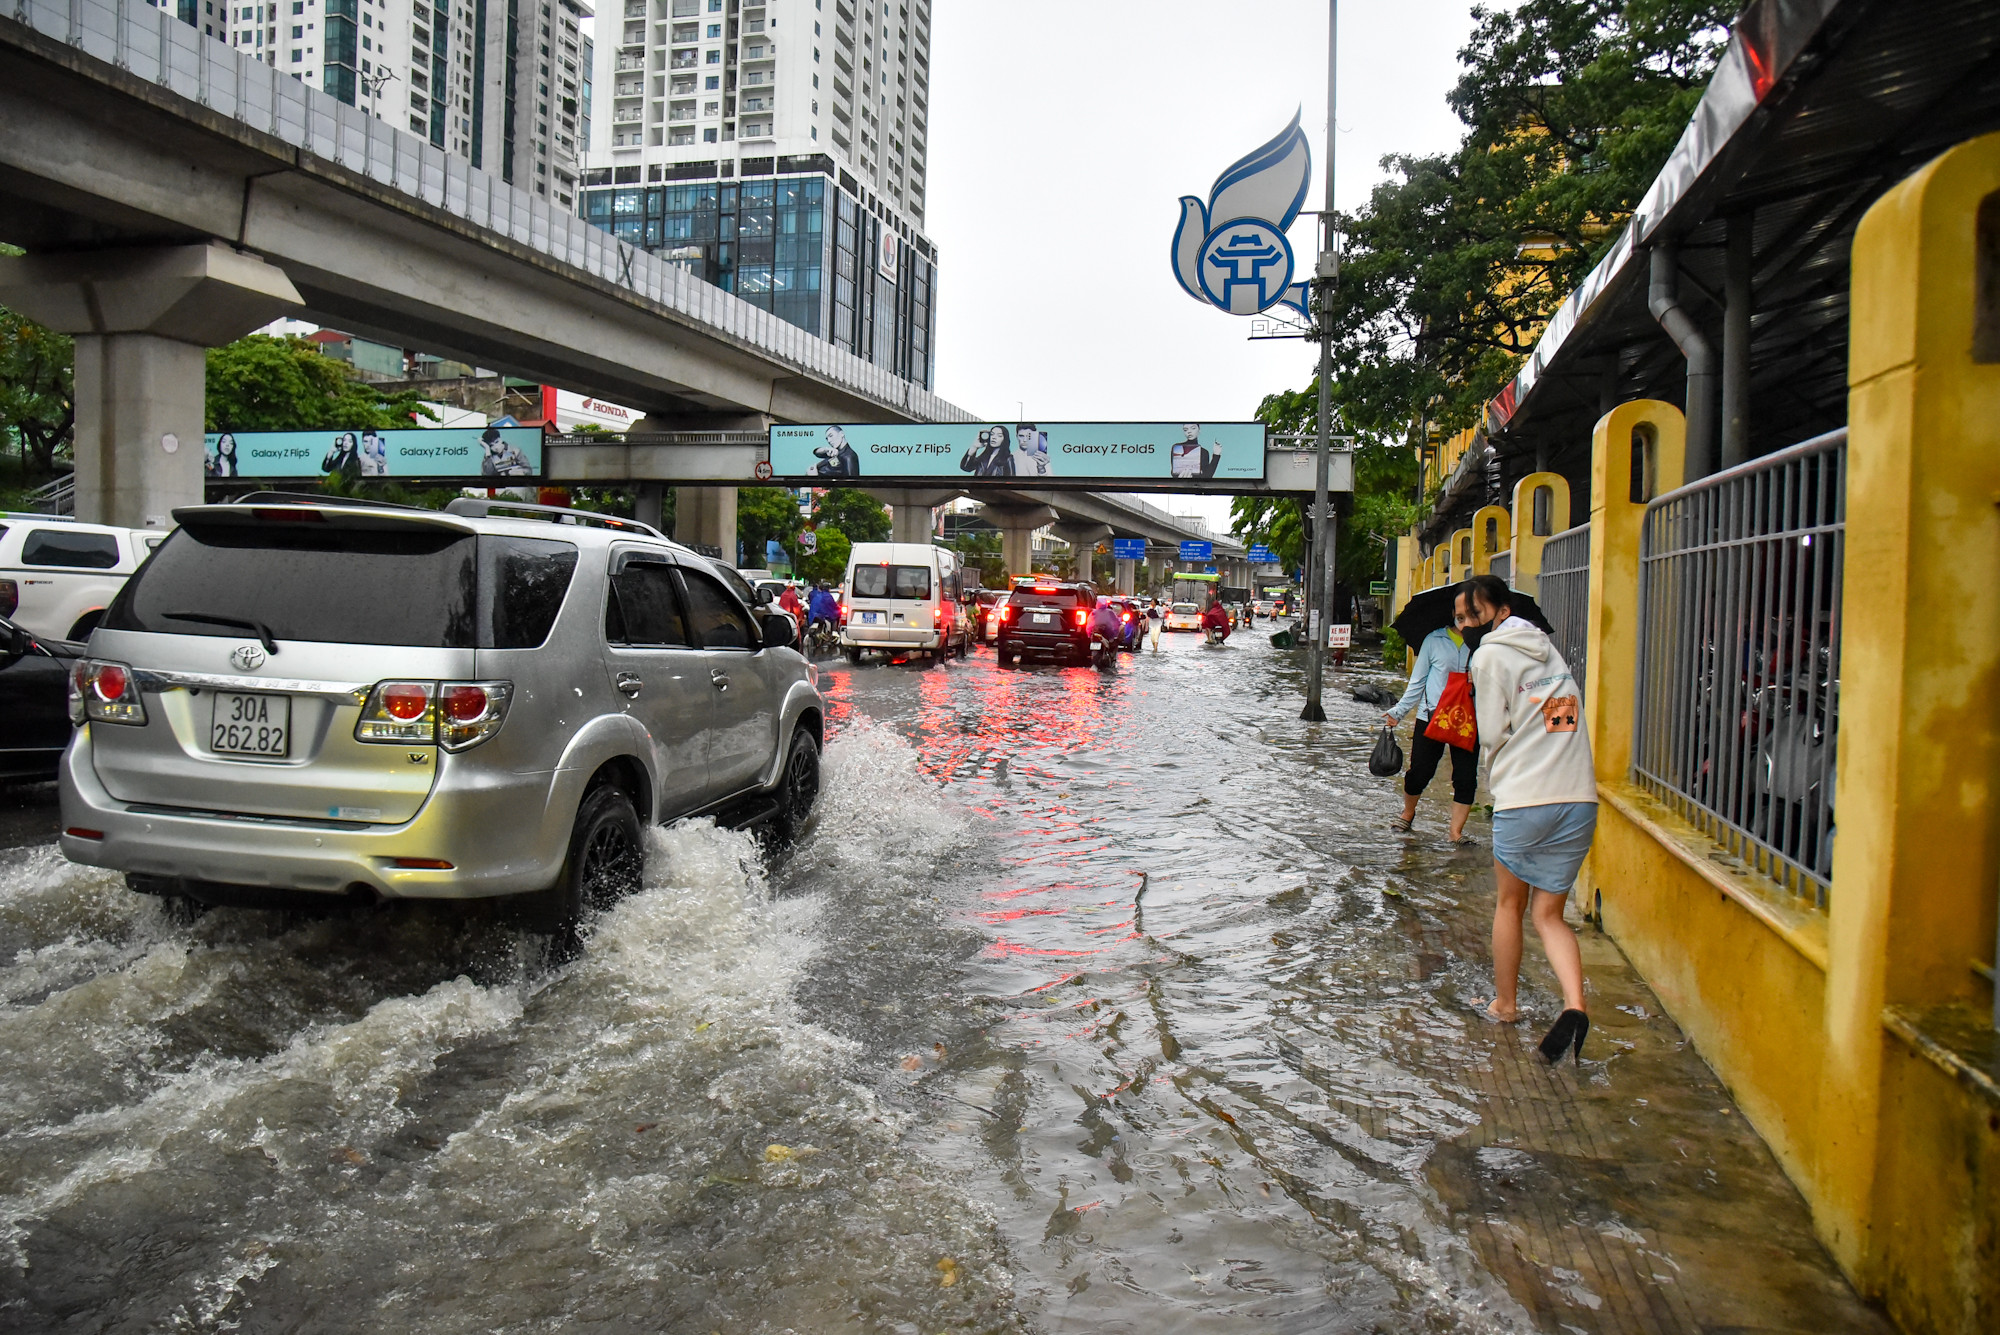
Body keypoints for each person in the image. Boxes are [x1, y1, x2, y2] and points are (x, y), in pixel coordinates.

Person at [1460, 573, 1598, 1064]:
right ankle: (1575, 1005)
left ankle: (1505, 1004)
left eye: (1473, 614)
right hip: (1578, 798)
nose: (1466, 624)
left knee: (1510, 905)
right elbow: (1562, 716)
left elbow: (1491, 733)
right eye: (1460, 618)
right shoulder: (1549, 652)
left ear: (1501, 612)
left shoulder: (1487, 657)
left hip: (1524, 798)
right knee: (1549, 915)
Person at [1383, 612, 1476, 844]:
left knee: (1465, 777)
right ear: (1453, 614)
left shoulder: (1483, 643)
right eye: (1461, 615)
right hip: (1431, 716)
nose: (1465, 620)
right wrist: (1399, 712)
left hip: (1468, 719)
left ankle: (1455, 833)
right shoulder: (1434, 640)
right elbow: (1418, 680)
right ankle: (1407, 813)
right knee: (1420, 772)